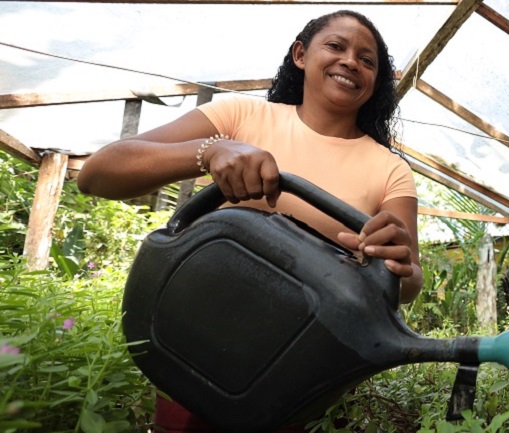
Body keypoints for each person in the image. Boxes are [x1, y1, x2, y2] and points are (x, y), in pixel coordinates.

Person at [77, 10, 422, 431]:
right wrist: (209, 152)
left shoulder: (390, 170)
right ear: (300, 54)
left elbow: (407, 284)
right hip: (196, 345)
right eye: (336, 46)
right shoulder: (240, 117)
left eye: (368, 60)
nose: (351, 61)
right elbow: (98, 174)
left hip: (298, 371)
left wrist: (397, 262)